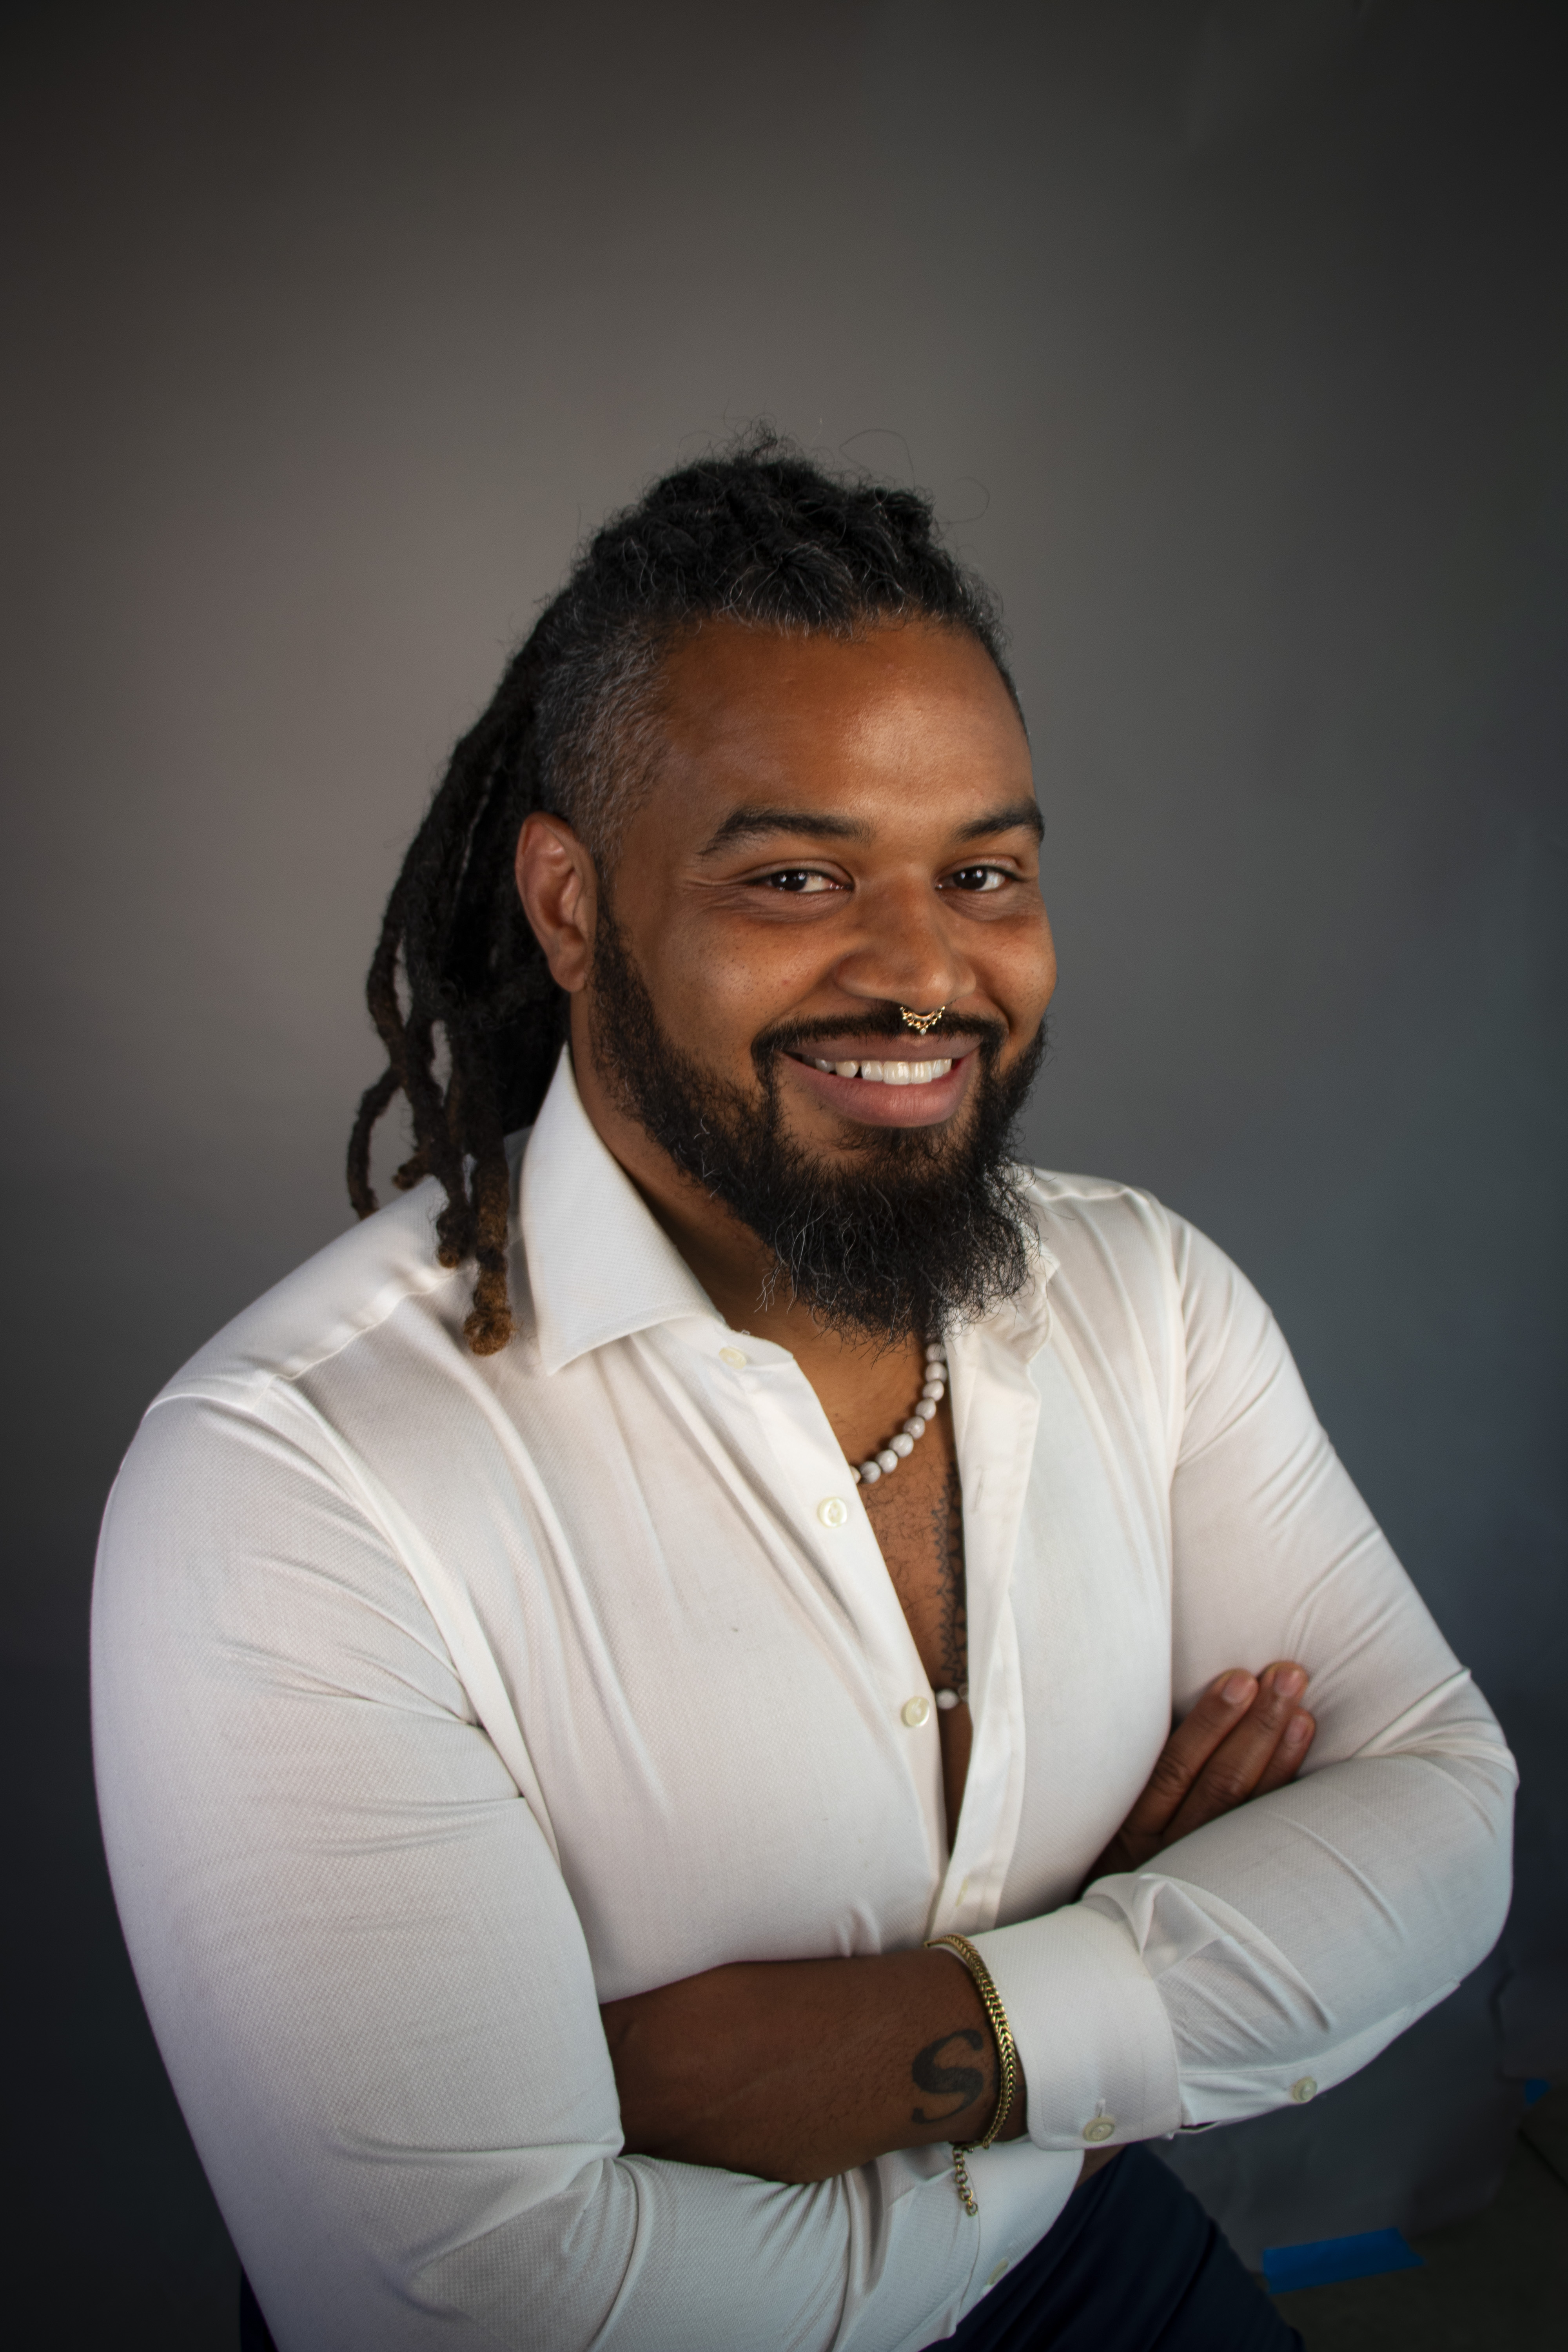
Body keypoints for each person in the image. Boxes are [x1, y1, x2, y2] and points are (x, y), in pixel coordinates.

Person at [92, 440, 1514, 2352]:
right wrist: (1107, 2061)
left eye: (983, 871)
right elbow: (486, 2315)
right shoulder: (292, 1482)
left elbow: (1442, 1811)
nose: (926, 971)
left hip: (1076, 2278)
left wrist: (951, 2042)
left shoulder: (1140, 1294)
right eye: (795, 874)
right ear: (573, 908)